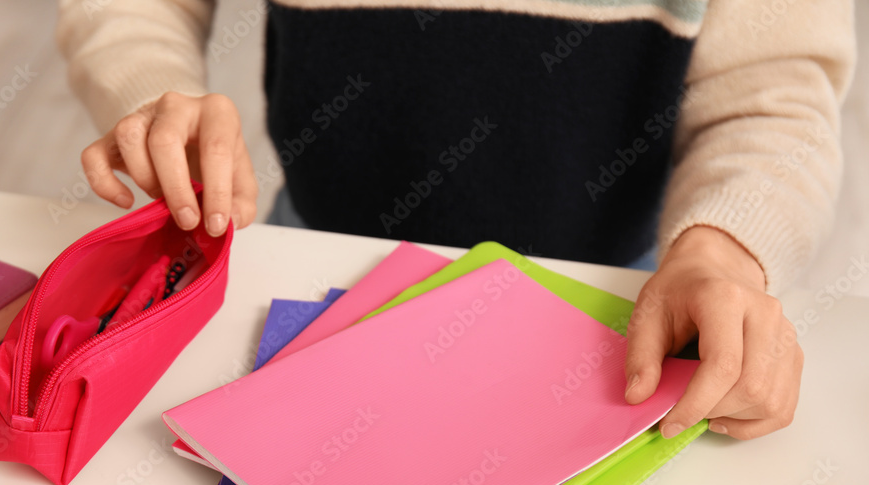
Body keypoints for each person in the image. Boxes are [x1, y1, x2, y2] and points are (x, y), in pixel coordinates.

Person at [56, 0, 855, 440]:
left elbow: (773, 89)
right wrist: (152, 93)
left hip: (625, 300)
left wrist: (723, 250)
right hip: (317, 256)